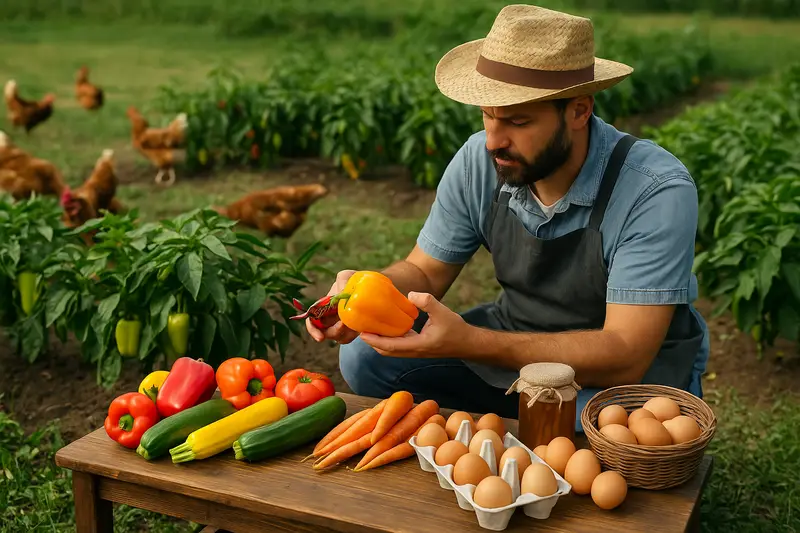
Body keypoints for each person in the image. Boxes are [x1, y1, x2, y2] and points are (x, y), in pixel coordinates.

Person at [304, 5, 710, 430]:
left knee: (606, 430)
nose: (493, 141)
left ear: (578, 111)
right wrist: (367, 291)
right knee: (366, 356)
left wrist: (473, 341)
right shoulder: (478, 161)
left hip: (613, 381)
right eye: (488, 114)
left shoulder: (653, 188)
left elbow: (625, 352)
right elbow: (423, 272)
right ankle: (512, 427)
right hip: (515, 347)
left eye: (517, 120)